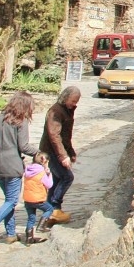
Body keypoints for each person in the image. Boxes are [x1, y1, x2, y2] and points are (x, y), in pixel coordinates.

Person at [0, 91, 38, 249]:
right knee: (12, 201)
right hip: (12, 166)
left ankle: (11, 234)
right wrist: (39, 153)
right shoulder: (21, 122)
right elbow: (23, 146)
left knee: (8, 201)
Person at [39, 85, 80, 225]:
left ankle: (51, 213)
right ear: (65, 97)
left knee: (56, 181)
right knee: (67, 177)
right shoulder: (55, 112)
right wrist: (63, 156)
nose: (74, 104)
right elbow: (54, 136)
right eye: (73, 101)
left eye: (76, 102)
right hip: (51, 152)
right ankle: (54, 208)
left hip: (57, 151)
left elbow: (66, 135)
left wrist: (71, 152)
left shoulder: (67, 110)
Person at [22, 151, 54, 245]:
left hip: (27, 199)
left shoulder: (27, 170)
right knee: (49, 209)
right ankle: (41, 226)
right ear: (44, 161)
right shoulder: (41, 172)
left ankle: (29, 239)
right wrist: (49, 174)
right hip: (38, 199)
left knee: (31, 218)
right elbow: (49, 185)